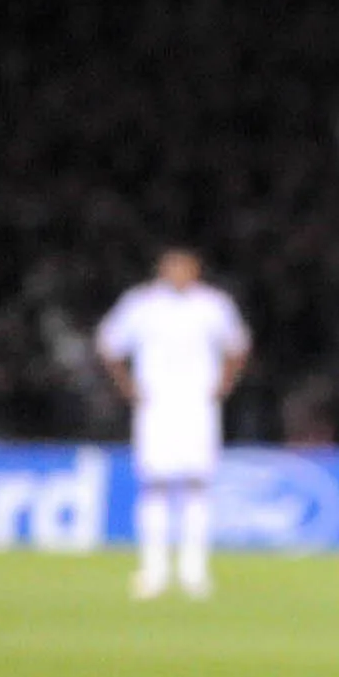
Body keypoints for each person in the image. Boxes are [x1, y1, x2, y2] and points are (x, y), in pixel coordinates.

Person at [94, 248, 250, 600]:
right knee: (155, 484)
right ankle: (154, 570)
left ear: (196, 271)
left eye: (186, 268)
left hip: (197, 406)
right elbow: (109, 344)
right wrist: (128, 386)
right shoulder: (142, 304)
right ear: (161, 270)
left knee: (197, 484)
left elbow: (238, 346)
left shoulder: (213, 305)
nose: (179, 273)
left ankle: (194, 572)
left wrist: (224, 384)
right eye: (172, 268)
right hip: (157, 406)